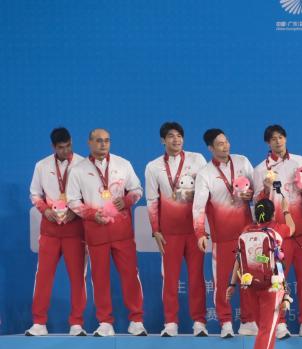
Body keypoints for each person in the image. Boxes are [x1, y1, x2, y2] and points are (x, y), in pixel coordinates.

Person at [66, 128, 145, 337]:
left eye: (107, 140)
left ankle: (136, 320)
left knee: (130, 276)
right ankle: (105, 322)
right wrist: (92, 214)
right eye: (99, 140)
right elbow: (72, 201)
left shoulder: (123, 164)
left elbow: (137, 190)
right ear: (89, 143)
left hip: (122, 232)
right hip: (96, 233)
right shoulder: (78, 170)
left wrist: (127, 200)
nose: (103, 144)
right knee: (99, 279)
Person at [192, 128, 257, 339]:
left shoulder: (242, 161)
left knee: (249, 279)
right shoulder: (205, 173)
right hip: (223, 238)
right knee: (222, 282)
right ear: (210, 148)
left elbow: (258, 191)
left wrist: (251, 195)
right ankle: (226, 322)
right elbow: (198, 207)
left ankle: (248, 321)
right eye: (220, 144)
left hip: (247, 235)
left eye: (226, 141)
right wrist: (200, 233)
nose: (225, 146)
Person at [145, 121, 208, 337]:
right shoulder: (153, 166)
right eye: (171, 136)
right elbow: (152, 200)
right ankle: (170, 322)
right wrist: (155, 230)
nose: (176, 139)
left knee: (196, 278)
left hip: (194, 232)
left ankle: (199, 322)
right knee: (170, 279)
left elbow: (205, 192)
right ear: (163, 140)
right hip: (169, 234)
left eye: (179, 135)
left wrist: (201, 230)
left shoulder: (197, 159)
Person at [252, 124, 302, 339]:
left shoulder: (301, 161)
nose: (278, 142)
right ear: (267, 143)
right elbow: (257, 204)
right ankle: (279, 323)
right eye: (273, 139)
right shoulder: (260, 169)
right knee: (278, 281)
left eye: (281, 137)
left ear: (286, 139)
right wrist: (266, 188)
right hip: (278, 234)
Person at [27, 127, 87, 337]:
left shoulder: (83, 164)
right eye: (61, 147)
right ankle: (39, 323)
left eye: (69, 145)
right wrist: (45, 210)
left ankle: (77, 323)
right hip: (50, 230)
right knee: (43, 277)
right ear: (53, 147)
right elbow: (35, 194)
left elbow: (89, 196)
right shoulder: (42, 166)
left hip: (75, 230)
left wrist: (76, 211)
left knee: (78, 278)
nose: (66, 151)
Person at [226, 198, 295, 349]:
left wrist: (232, 284)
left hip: (250, 286)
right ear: (273, 214)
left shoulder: (246, 231)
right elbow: (292, 228)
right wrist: (286, 210)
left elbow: (238, 260)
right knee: (267, 330)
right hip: (272, 286)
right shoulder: (277, 229)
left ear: (256, 214)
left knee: (264, 329)